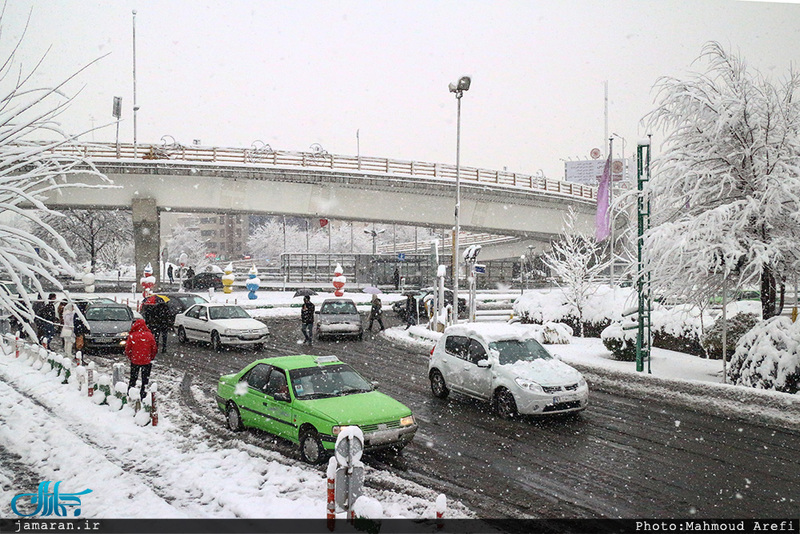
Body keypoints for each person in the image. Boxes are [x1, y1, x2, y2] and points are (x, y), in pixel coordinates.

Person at [125, 318, 158, 399]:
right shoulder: (149, 335)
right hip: (146, 361)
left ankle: (130, 393)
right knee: (145, 380)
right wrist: (151, 357)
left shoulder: (132, 335)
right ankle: (143, 394)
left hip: (135, 360)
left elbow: (127, 349)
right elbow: (154, 348)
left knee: (133, 378)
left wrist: (131, 357)